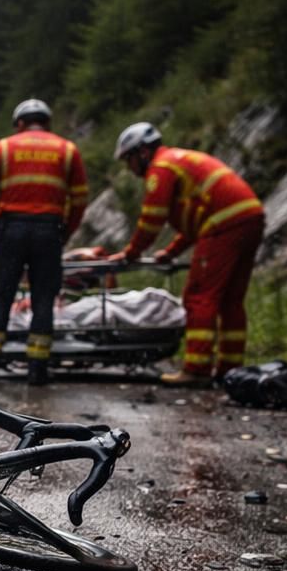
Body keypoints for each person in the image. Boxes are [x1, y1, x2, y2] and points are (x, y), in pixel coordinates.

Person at [108, 122, 265, 386]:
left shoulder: (161, 168)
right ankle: (230, 370)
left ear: (142, 153)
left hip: (223, 224)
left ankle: (197, 370)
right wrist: (171, 252)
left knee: (199, 296)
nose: (129, 168)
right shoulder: (178, 160)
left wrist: (131, 253)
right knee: (230, 301)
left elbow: (152, 219)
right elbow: (193, 224)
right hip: (249, 217)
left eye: (129, 160)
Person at [0, 98, 89, 384]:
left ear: (20, 123)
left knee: (0, 294)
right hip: (49, 231)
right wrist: (66, 233)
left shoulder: (4, 148)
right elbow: (80, 199)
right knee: (44, 298)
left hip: (10, 228)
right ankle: (37, 368)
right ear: (47, 123)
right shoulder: (67, 149)